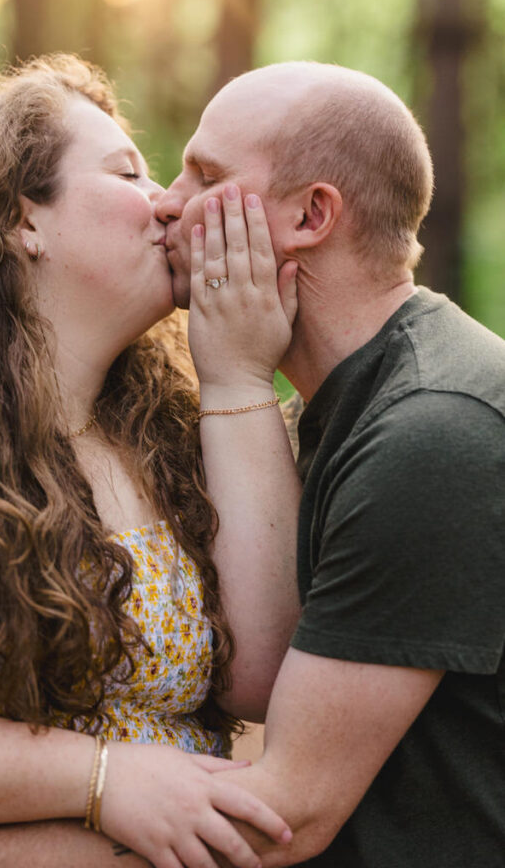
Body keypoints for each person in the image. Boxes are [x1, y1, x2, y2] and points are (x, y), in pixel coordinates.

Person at [0, 55, 301, 868]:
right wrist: (100, 780)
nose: (168, 204)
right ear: (22, 221)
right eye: (128, 173)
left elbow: (258, 682)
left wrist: (236, 376)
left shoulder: (174, 429)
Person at [155, 61, 505, 866]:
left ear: (312, 214)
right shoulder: (343, 403)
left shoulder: (435, 431)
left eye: (205, 175)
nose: (168, 200)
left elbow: (285, 818)